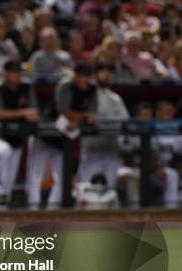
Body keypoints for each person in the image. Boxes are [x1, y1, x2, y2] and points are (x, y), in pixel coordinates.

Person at [27, 63, 97, 208]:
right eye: (81, 75)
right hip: (46, 134)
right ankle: (32, 208)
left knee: (63, 176)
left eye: (87, 75)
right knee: (36, 174)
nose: (84, 78)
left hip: (63, 140)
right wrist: (83, 117)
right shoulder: (66, 85)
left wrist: (78, 119)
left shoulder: (92, 89)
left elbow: (93, 113)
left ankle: (53, 208)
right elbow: (63, 110)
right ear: (75, 75)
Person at [0, 60, 39, 206]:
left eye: (19, 72)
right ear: (6, 73)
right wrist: (23, 113)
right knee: (5, 152)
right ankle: (0, 192)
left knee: (10, 181)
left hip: (18, 138)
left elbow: (34, 112)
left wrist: (27, 114)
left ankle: (1, 206)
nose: (17, 75)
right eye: (14, 71)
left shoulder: (26, 87)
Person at [78, 63, 129, 191]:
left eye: (108, 72)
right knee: (86, 190)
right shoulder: (85, 96)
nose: (106, 75)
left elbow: (125, 122)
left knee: (111, 192)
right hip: (92, 150)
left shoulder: (115, 98)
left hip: (111, 150)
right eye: (102, 71)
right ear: (94, 75)